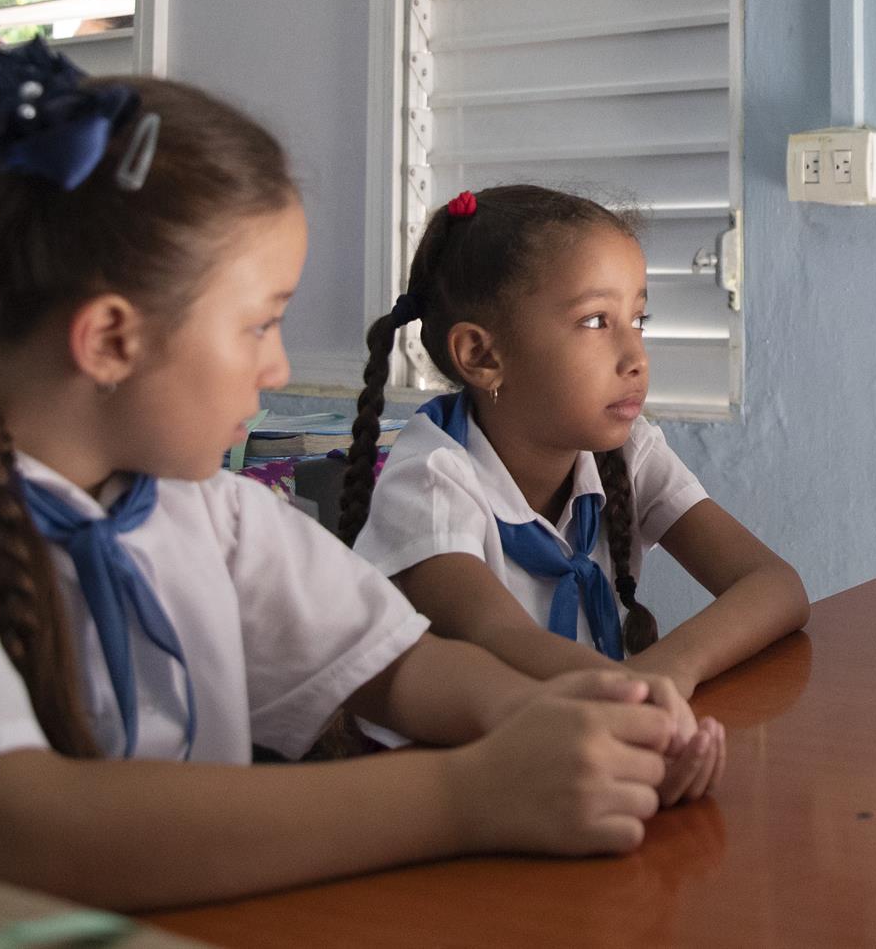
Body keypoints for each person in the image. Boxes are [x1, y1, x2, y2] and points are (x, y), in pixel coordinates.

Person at [0, 42, 679, 940]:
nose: (278, 363)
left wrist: (582, 720)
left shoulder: (189, 496)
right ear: (113, 339)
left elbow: (399, 668)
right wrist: (466, 794)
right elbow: (20, 829)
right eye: (259, 324)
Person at [341, 185, 809, 747]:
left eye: (639, 318)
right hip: (446, 789)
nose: (635, 358)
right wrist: (637, 699)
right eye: (594, 321)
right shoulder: (431, 481)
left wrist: (664, 671)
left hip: (579, 746)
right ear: (482, 356)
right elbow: (499, 637)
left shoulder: (630, 454)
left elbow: (775, 585)